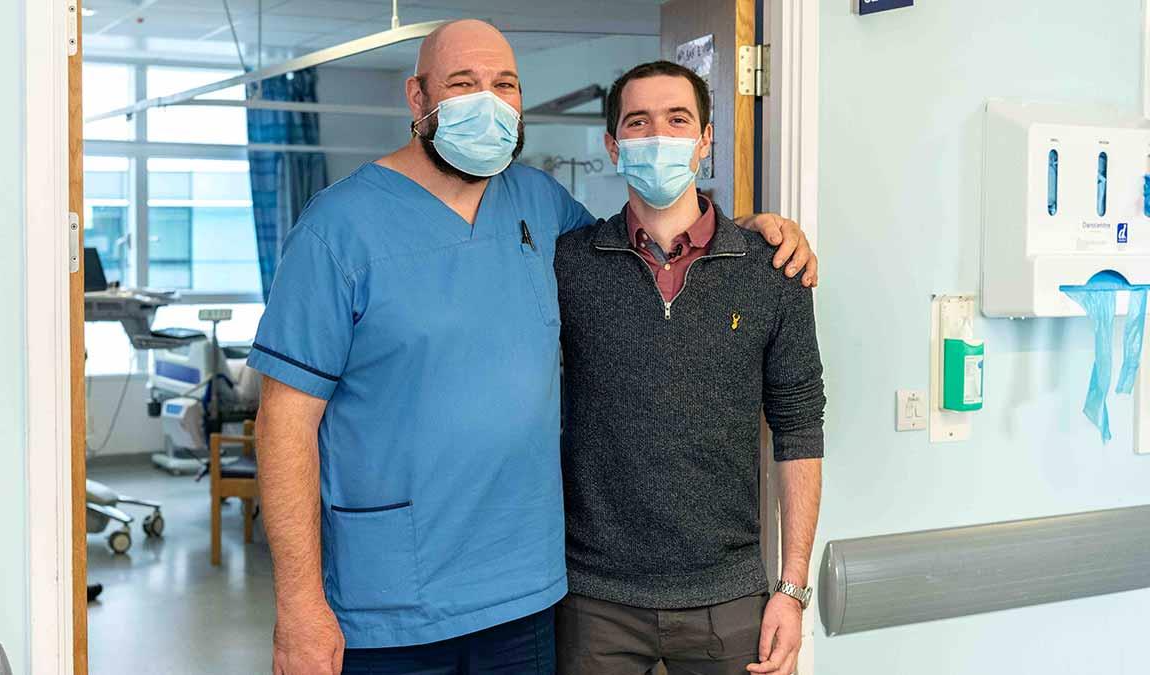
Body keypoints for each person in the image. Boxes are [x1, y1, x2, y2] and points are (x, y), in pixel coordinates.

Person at [248, 21, 818, 675]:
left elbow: (643, 248)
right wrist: (298, 603)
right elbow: (285, 421)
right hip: (392, 600)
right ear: (417, 99)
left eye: (505, 85)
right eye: (463, 84)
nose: (487, 102)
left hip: (529, 594)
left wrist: (750, 233)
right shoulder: (336, 228)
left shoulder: (541, 207)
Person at [553, 61, 826, 675]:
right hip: (595, 598)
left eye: (678, 121)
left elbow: (800, 427)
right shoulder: (570, 264)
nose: (658, 137)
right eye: (638, 123)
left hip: (728, 598)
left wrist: (791, 589)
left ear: (705, 141)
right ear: (612, 145)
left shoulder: (771, 269)